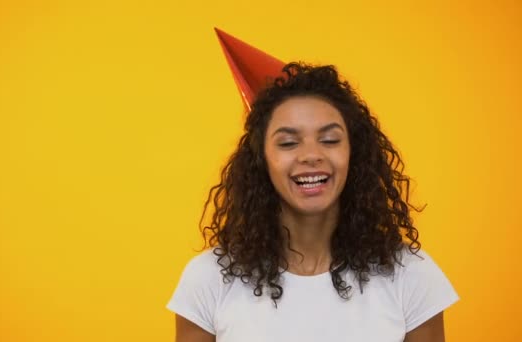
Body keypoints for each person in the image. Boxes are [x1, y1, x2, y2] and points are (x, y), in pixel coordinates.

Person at [167, 31, 458, 342]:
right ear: (261, 160)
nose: (311, 156)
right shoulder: (209, 279)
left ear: (353, 155)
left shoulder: (411, 276)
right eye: (289, 142)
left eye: (330, 140)